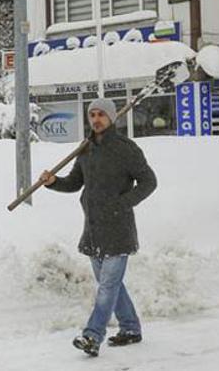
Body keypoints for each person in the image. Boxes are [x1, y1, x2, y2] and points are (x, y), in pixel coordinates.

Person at [40, 98, 157, 357]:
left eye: (101, 114)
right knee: (111, 284)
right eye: (92, 114)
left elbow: (149, 182)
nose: (95, 119)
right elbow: (74, 182)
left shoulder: (126, 149)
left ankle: (92, 336)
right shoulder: (86, 149)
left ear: (112, 118)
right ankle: (130, 327)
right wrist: (52, 182)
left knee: (107, 287)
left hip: (118, 229)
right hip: (92, 229)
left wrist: (122, 204)